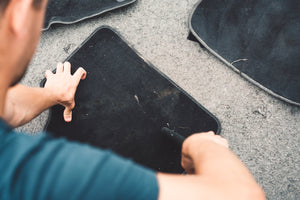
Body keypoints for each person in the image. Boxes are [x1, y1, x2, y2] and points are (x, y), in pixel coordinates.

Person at [0, 0, 265, 199]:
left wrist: (52, 94)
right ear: (20, 13)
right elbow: (241, 195)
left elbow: (7, 107)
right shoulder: (38, 172)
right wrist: (204, 146)